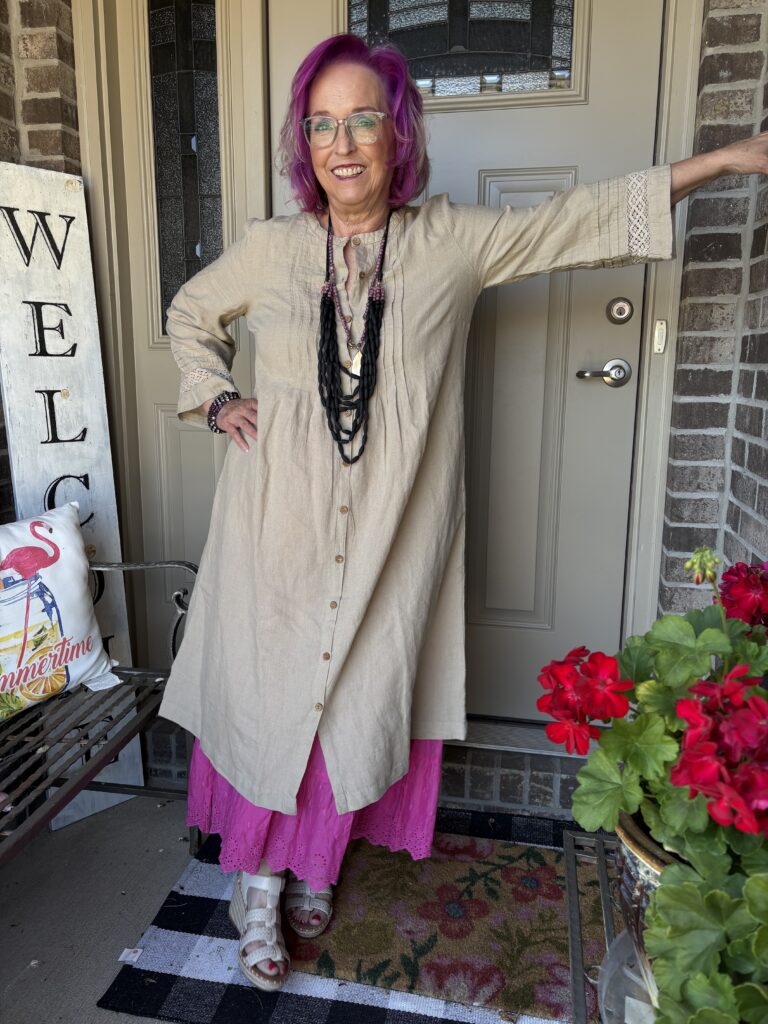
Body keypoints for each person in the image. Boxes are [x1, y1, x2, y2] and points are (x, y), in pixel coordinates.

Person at [158, 33, 768, 990]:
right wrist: (215, 395)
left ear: (397, 134)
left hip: (391, 541)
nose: (341, 144)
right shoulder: (270, 250)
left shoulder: (452, 242)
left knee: (349, 710)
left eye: (363, 119)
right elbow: (190, 315)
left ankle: (315, 863)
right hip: (274, 534)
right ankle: (260, 887)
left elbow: (580, 221)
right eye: (321, 124)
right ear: (303, 142)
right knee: (271, 708)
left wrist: (727, 159)